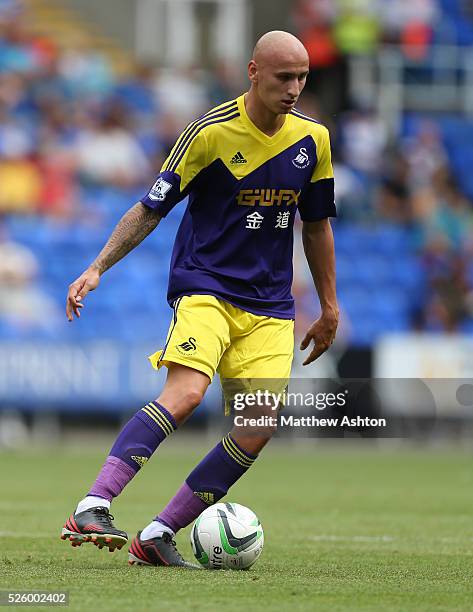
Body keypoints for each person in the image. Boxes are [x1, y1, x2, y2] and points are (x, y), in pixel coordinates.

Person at [61, 31, 339, 568]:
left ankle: (157, 535)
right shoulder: (210, 133)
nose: (295, 89)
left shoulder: (315, 141)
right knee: (187, 394)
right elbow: (150, 208)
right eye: (284, 77)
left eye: (302, 78)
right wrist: (97, 267)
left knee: (257, 426)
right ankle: (92, 504)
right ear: (254, 72)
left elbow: (317, 225)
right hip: (206, 286)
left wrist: (329, 306)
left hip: (271, 305)